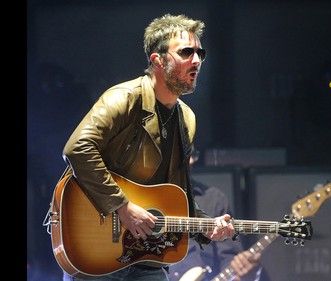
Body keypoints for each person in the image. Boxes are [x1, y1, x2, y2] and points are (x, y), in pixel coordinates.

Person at [60, 14, 236, 281]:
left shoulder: (186, 118)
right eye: (187, 52)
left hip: (145, 254)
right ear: (158, 60)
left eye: (201, 53)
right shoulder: (124, 98)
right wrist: (122, 206)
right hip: (97, 246)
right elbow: (78, 148)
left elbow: (176, 191)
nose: (197, 61)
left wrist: (205, 224)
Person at [168, 148, 271, 281]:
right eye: (185, 153)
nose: (192, 160)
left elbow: (228, 260)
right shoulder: (141, 201)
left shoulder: (213, 199)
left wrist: (245, 274)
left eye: (193, 154)